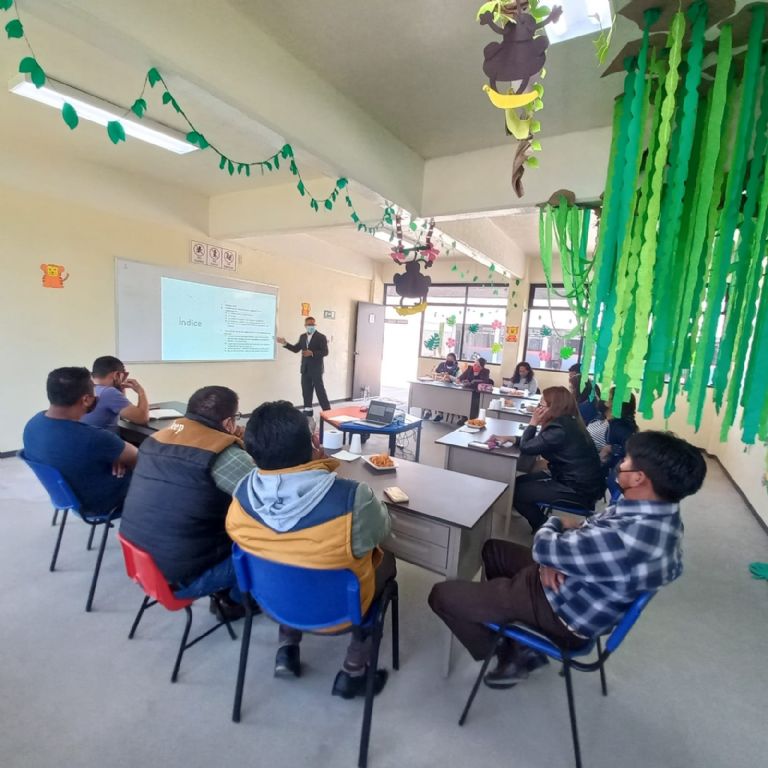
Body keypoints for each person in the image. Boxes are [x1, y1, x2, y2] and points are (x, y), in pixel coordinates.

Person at [429, 430, 707, 689]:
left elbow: (549, 542)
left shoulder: (625, 539)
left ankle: (510, 650)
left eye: (627, 460)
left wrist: (556, 526)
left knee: (441, 595)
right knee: (493, 549)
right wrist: (556, 558)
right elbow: (583, 532)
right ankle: (512, 626)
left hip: (561, 610)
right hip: (575, 582)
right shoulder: (657, 512)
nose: (620, 463)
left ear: (639, 478)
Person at [226, 400, 395, 699]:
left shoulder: (240, 496)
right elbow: (382, 530)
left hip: (272, 601)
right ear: (315, 442)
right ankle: (352, 672)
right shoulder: (353, 498)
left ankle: (286, 650)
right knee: (387, 564)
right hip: (341, 613)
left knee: (283, 561)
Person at [119, 386, 254, 620]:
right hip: (183, 576)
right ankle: (231, 601)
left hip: (142, 561)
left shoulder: (154, 440)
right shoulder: (225, 455)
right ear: (229, 422)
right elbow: (268, 501)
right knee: (269, 544)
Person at [23, 367, 137, 514]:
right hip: (101, 503)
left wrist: (114, 454)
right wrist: (117, 454)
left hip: (68, 497)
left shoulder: (33, 424)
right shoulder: (94, 438)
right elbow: (138, 457)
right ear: (87, 399)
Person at [512, 386, 605, 531]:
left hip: (577, 489)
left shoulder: (559, 429)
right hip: (579, 482)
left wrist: (533, 422)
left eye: (541, 406)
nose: (538, 409)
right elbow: (540, 442)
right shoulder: (568, 421)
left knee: (516, 491)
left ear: (554, 407)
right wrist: (513, 439)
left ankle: (544, 527)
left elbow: (527, 448)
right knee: (519, 481)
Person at [277, 317, 331, 415]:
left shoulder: (321, 337)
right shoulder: (302, 337)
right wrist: (285, 343)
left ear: (315, 325)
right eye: (309, 324)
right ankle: (308, 410)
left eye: (313, 324)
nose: (311, 326)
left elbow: (325, 352)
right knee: (306, 390)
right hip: (305, 368)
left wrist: (312, 353)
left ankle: (327, 411)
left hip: (316, 369)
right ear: (305, 326)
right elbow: (296, 349)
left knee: (320, 391)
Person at [80, 355, 150, 431]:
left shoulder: (85, 388)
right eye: (123, 376)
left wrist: (120, 389)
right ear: (116, 375)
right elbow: (142, 419)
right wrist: (141, 392)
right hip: (106, 442)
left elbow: (124, 414)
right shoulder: (108, 392)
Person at [426, 353, 460, 422]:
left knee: (441, 397)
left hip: (449, 387)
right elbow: (435, 373)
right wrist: (440, 374)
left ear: (454, 360)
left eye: (450, 359)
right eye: (447, 358)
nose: (448, 360)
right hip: (438, 384)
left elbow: (457, 379)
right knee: (429, 393)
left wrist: (449, 377)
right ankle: (428, 411)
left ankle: (440, 414)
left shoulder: (456, 368)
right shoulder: (442, 364)